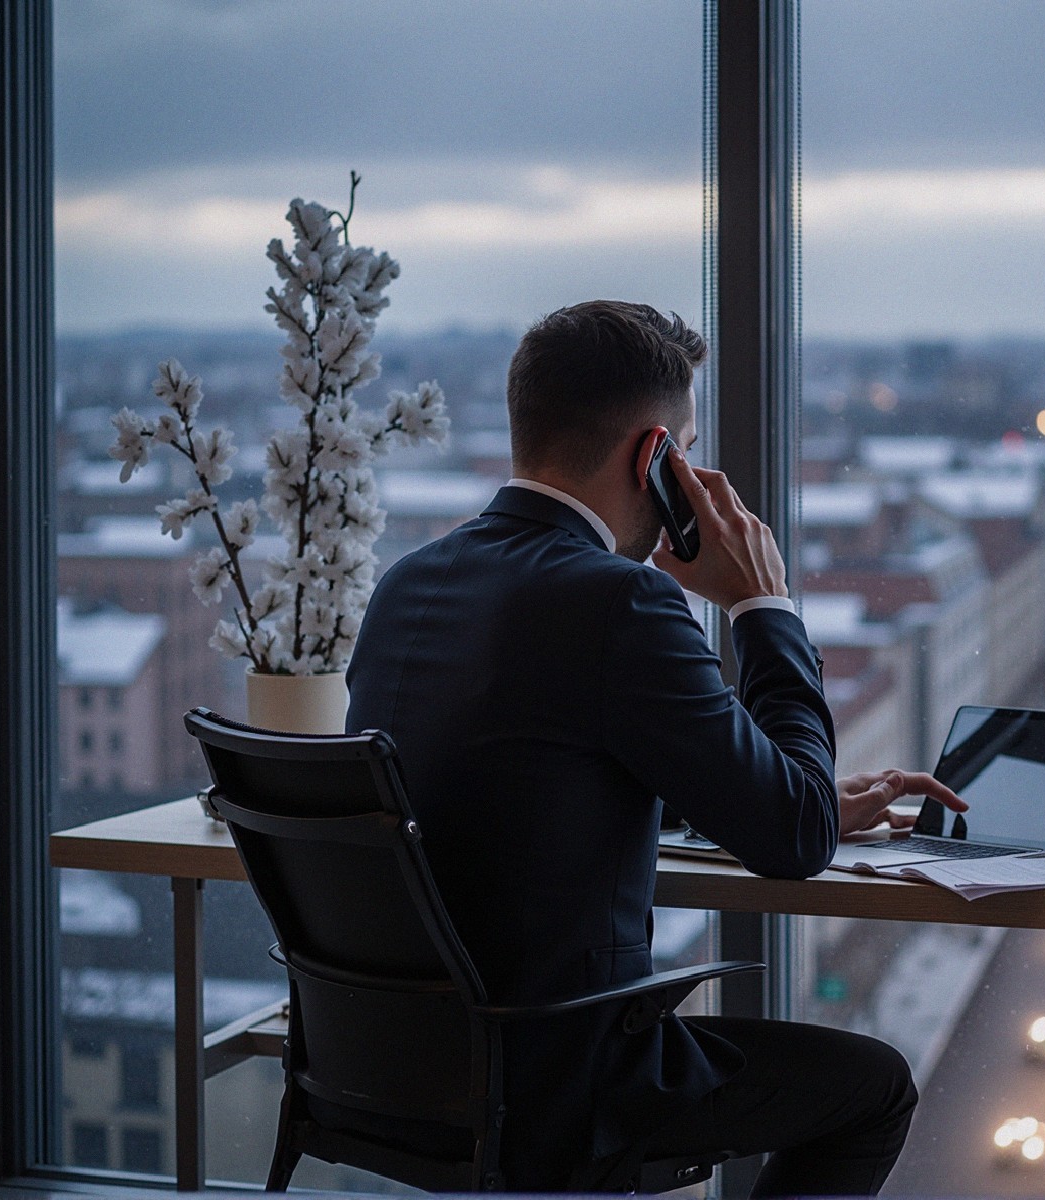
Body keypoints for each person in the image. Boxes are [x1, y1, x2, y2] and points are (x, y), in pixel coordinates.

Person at [344, 299, 965, 1194]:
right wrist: (763, 605)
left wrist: (770, 784)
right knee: (873, 1090)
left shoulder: (410, 581)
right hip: (564, 1080)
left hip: (399, 1070)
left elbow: (522, 776)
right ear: (656, 457)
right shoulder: (618, 603)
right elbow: (795, 840)